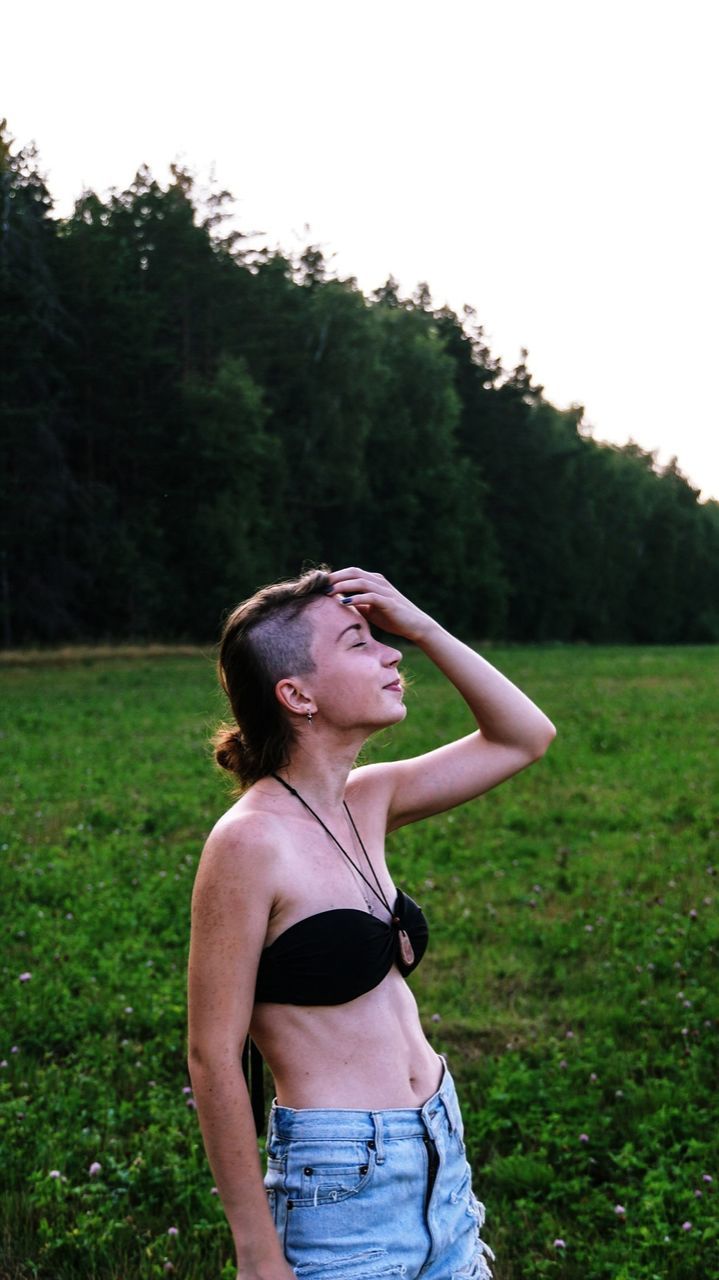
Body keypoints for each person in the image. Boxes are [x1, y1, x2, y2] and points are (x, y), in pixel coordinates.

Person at [187, 566, 556, 1280]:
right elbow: (211, 1056)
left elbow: (524, 736)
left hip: (439, 1155)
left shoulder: (368, 799)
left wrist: (418, 622)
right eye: (360, 643)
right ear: (296, 695)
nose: (391, 655)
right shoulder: (247, 843)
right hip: (341, 1183)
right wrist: (257, 1250)